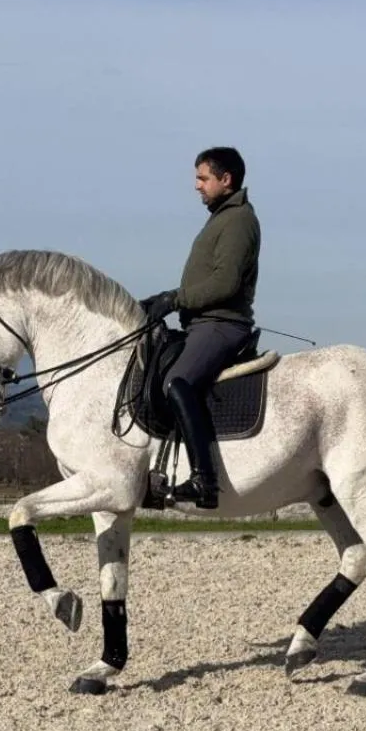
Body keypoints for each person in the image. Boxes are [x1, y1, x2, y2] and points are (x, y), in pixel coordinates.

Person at [140, 147, 260, 509]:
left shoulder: (238, 220)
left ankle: (204, 481)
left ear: (226, 180)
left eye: (203, 178)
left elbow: (224, 284)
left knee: (179, 382)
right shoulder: (221, 217)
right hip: (200, 324)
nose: (197, 186)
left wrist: (174, 298)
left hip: (222, 325)